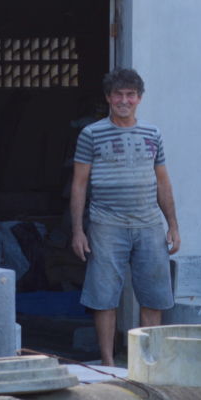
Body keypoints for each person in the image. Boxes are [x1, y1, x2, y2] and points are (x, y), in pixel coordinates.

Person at [70, 68, 180, 365]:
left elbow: (163, 182)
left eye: (130, 95)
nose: (124, 100)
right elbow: (79, 184)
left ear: (139, 99)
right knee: (104, 296)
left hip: (148, 224)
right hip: (106, 224)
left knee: (154, 295)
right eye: (118, 94)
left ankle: (148, 363)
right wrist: (78, 231)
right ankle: (108, 363)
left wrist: (173, 226)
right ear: (108, 98)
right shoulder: (91, 134)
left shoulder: (153, 134)